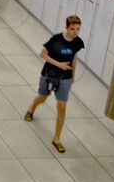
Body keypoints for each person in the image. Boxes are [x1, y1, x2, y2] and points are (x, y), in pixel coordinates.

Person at [25, 16, 84, 154]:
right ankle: (32, 108)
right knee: (42, 98)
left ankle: (56, 139)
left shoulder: (78, 42)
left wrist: (72, 76)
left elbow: (74, 58)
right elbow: (43, 54)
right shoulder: (56, 40)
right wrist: (60, 65)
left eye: (78, 29)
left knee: (62, 106)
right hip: (49, 74)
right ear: (66, 28)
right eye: (72, 29)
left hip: (65, 78)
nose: (75, 32)